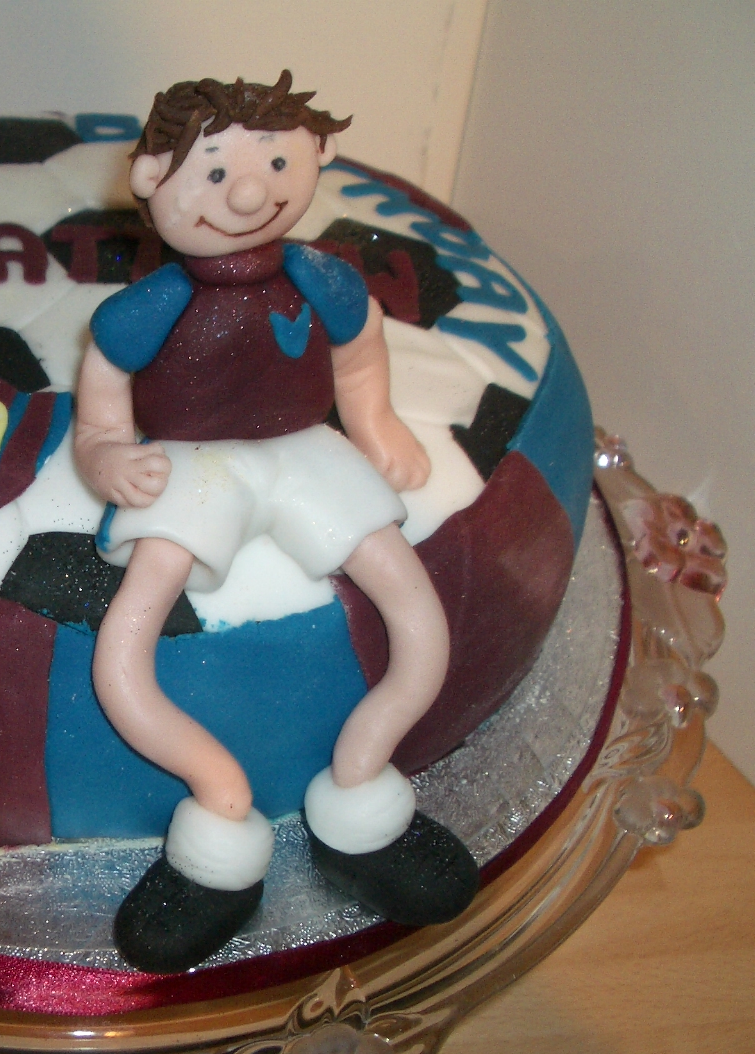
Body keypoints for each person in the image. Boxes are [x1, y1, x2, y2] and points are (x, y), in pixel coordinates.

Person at [75, 73, 475, 973]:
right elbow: (99, 416)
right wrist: (107, 461)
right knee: (125, 648)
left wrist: (374, 422)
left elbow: (360, 355)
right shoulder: (144, 309)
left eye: (280, 165)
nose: (252, 196)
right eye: (216, 173)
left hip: (308, 451)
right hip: (189, 464)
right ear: (150, 180)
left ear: (320, 158)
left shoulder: (321, 278)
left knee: (415, 610)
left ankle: (364, 783)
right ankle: (218, 813)